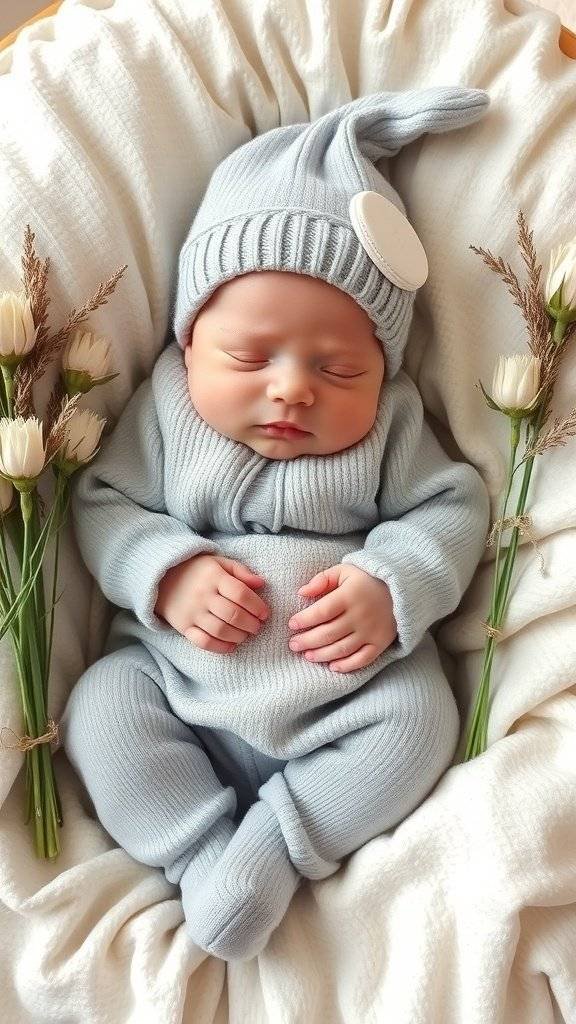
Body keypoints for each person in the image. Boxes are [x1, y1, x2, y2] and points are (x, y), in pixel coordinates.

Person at [61, 86, 491, 962]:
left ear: (384, 369)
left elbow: (454, 507)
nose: (292, 388)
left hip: (347, 702)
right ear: (189, 338)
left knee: (422, 722)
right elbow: (102, 504)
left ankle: (277, 847)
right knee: (99, 707)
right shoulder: (166, 410)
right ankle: (202, 854)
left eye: (338, 368)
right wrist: (168, 570)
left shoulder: (395, 427)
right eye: (249, 357)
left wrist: (393, 580)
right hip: (180, 689)